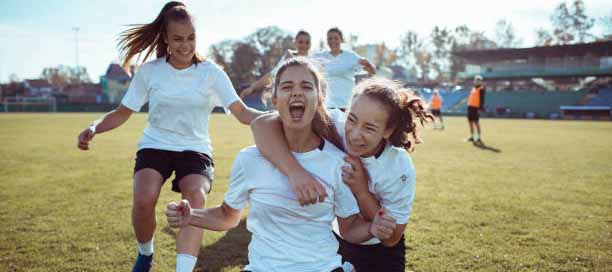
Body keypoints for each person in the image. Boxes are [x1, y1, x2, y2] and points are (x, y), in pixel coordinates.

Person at [76, 2, 263, 272]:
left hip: (194, 148)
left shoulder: (212, 73)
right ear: (165, 38)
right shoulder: (150, 72)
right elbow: (121, 112)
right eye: (177, 39)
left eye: (191, 38)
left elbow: (242, 113)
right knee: (144, 198)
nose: (185, 45)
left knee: (195, 198)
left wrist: (275, 119)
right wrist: (94, 127)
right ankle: (145, 254)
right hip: (155, 144)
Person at [166, 57, 396, 272]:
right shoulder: (249, 160)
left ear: (320, 98)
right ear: (274, 99)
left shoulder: (338, 162)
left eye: (306, 86)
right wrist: (192, 216)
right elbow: (228, 216)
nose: (297, 92)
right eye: (287, 87)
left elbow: (349, 228)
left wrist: (371, 229)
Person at [250, 77, 433, 271]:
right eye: (351, 119)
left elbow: (392, 238)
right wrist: (296, 173)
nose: (354, 134)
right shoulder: (334, 125)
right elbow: (262, 124)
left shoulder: (398, 166)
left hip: (380, 250)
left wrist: (362, 191)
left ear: (388, 130)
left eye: (369, 128)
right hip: (337, 241)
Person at [313, 27, 376, 111]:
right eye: (330, 38)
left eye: (336, 38)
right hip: (325, 105)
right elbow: (305, 62)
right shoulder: (319, 56)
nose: (333, 41)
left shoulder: (350, 56)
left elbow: (372, 72)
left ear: (341, 40)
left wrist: (369, 65)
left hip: (345, 104)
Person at [240, 30, 312, 99]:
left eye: (307, 42)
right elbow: (272, 76)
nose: (304, 45)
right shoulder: (288, 58)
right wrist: (252, 88)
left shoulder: (314, 61)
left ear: (311, 44)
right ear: (295, 42)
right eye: (301, 42)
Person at [467, 75, 486, 143]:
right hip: (470, 107)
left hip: (476, 108)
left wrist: (480, 108)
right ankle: (472, 136)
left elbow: (482, 100)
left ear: (481, 81)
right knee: (470, 122)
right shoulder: (473, 89)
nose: (477, 81)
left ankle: (479, 137)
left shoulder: (481, 89)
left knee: (476, 122)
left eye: (479, 80)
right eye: (476, 80)